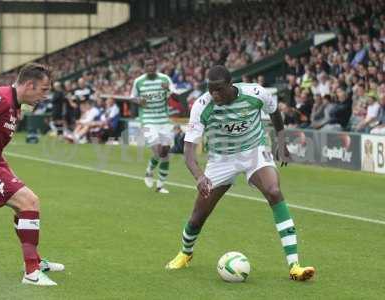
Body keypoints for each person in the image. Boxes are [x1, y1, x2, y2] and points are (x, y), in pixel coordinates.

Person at [165, 65, 315, 281]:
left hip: (253, 151)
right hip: (221, 160)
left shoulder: (255, 93)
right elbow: (188, 152)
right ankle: (185, 254)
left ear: (230, 85)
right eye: (211, 90)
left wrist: (281, 143)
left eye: (219, 90)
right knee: (198, 216)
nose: (214, 94)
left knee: (273, 191)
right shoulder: (201, 106)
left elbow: (274, 112)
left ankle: (295, 266)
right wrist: (200, 176)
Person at [0, 63, 64, 286]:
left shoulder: (15, 106)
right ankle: (31, 273)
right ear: (29, 85)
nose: (45, 96)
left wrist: (4, 166)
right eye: (44, 89)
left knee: (26, 205)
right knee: (29, 201)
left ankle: (35, 262)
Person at [130, 58, 175, 193]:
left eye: (152, 65)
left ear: (156, 66)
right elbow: (132, 97)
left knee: (165, 152)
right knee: (157, 150)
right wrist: (139, 100)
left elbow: (175, 94)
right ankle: (149, 171)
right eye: (147, 65)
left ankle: (160, 185)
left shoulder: (165, 78)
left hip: (164, 120)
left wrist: (169, 89)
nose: (150, 67)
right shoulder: (138, 81)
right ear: (144, 68)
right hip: (148, 120)